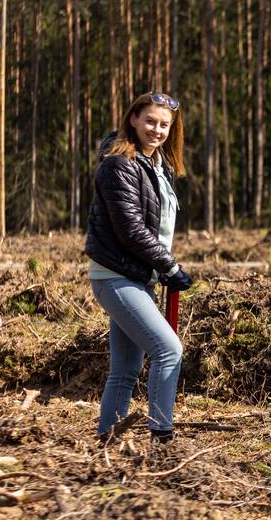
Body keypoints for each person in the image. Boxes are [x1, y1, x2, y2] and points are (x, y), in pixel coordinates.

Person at [85, 92, 193, 444]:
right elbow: (130, 228)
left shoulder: (157, 165)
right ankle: (161, 437)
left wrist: (163, 267)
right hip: (116, 276)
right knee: (168, 349)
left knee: (125, 370)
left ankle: (107, 442)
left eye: (164, 125)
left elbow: (156, 225)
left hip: (137, 276)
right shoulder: (120, 164)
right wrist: (169, 266)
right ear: (133, 118)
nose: (156, 129)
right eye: (150, 121)